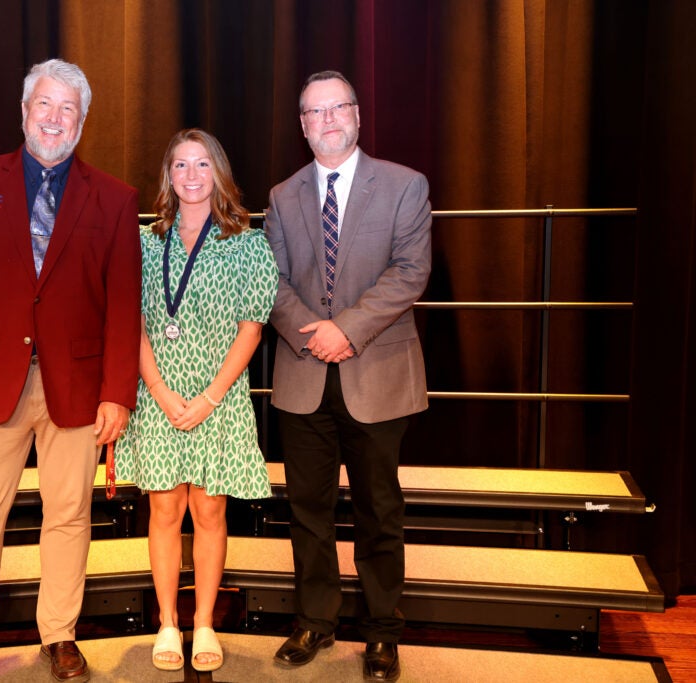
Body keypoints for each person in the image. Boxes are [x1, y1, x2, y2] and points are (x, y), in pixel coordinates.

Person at [0, 59, 141, 683]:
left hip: (77, 389)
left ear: (82, 121)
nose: (54, 118)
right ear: (24, 112)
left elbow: (125, 304)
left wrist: (117, 394)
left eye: (67, 109)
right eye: (44, 105)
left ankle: (59, 637)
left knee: (68, 515)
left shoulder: (116, 199)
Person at [265, 70, 431, 682]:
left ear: (358, 115)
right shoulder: (282, 197)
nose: (327, 120)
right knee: (307, 509)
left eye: (337, 108)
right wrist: (315, 330)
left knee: (378, 510)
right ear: (303, 126)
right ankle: (315, 621)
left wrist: (348, 330)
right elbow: (271, 282)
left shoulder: (405, 186)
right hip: (303, 374)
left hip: (378, 376)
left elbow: (410, 274)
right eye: (314, 112)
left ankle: (383, 631)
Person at [113, 129, 277, 673]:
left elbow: (251, 331)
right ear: (168, 176)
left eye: (202, 164)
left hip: (218, 398)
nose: (190, 175)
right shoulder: (145, 242)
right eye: (180, 165)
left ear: (219, 173)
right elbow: (130, 323)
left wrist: (206, 399)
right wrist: (159, 391)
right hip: (157, 392)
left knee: (209, 510)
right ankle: (167, 623)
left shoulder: (248, 243)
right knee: (163, 510)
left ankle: (203, 621)